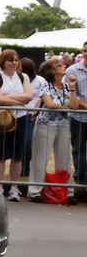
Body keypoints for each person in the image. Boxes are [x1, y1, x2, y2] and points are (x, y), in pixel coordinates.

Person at [29, 61, 78, 204]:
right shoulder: (45, 85)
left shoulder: (67, 86)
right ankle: (35, 191)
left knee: (65, 159)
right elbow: (49, 104)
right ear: (51, 71)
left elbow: (74, 105)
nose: (63, 66)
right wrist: (67, 108)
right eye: (58, 65)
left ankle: (66, 190)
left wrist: (73, 89)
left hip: (63, 125)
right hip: (46, 124)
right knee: (40, 158)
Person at [0, 48, 33, 201]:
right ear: (3, 62)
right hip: (3, 118)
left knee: (17, 155)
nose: (14, 63)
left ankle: (15, 187)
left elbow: (29, 96)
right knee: (0, 154)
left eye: (16, 60)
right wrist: (19, 100)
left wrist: (8, 98)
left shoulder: (23, 77)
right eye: (11, 60)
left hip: (20, 118)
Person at [67, 41, 87, 202]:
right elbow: (70, 96)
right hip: (79, 118)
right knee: (78, 149)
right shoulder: (72, 71)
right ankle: (80, 181)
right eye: (84, 51)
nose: (86, 54)